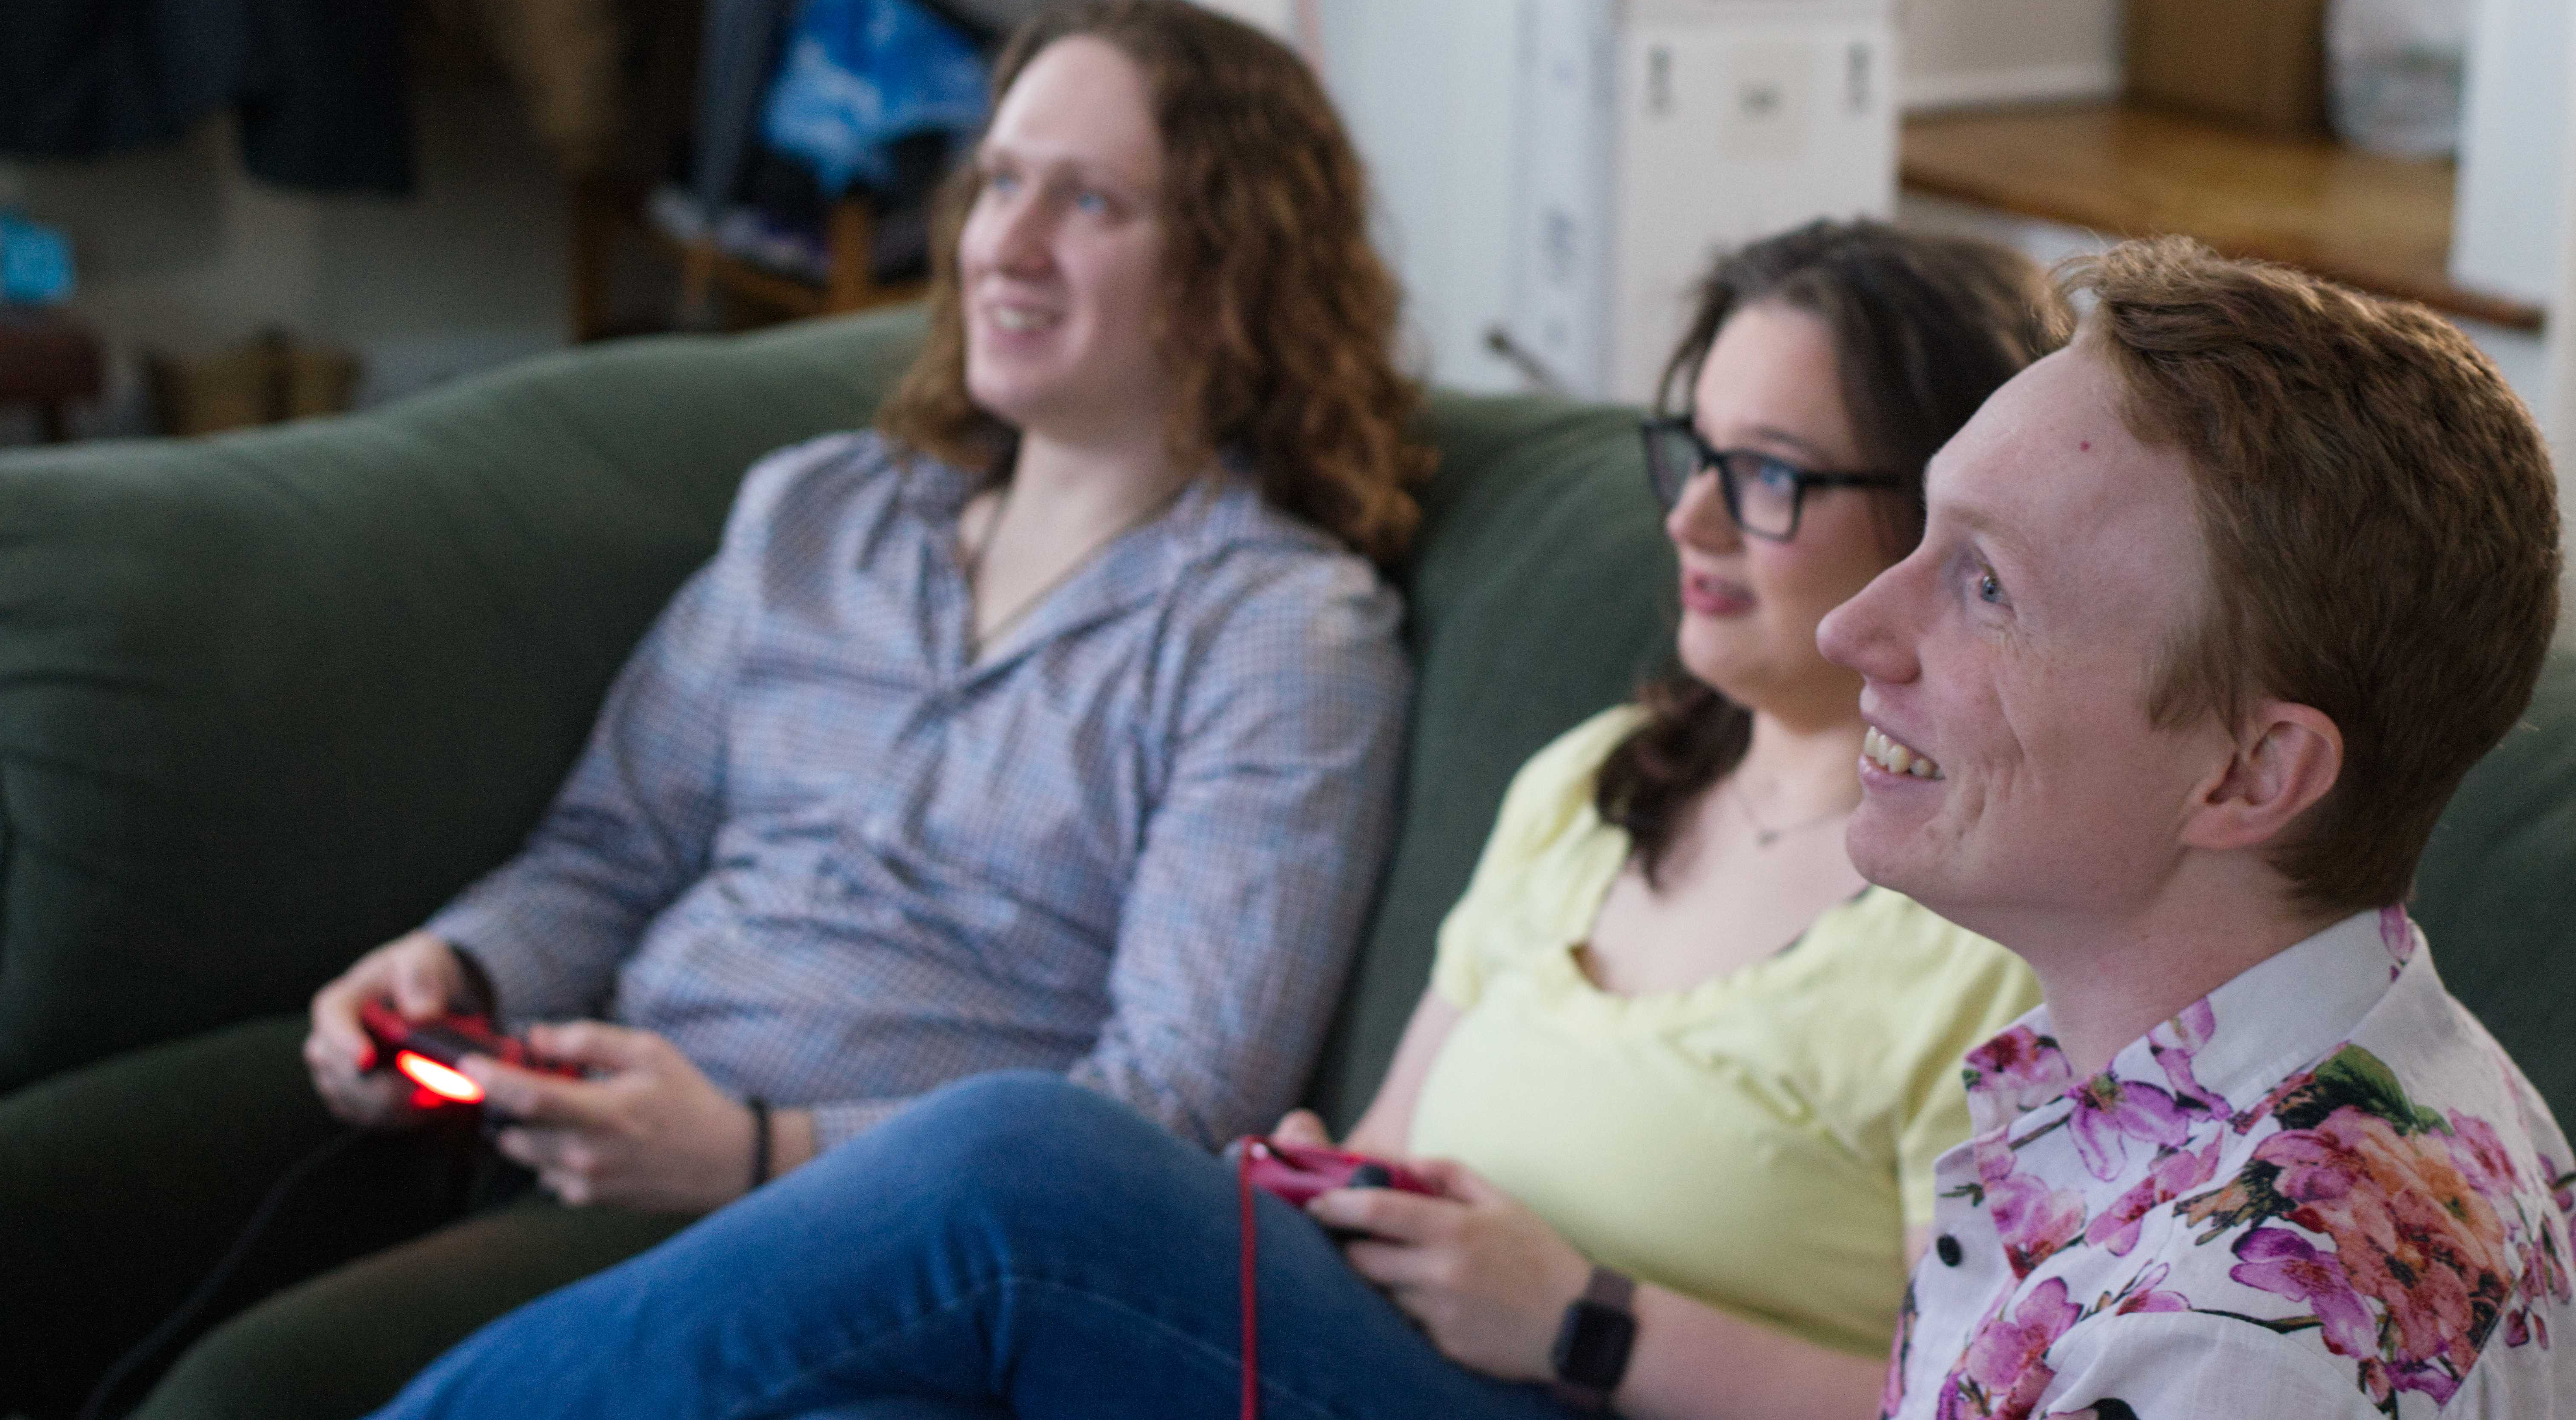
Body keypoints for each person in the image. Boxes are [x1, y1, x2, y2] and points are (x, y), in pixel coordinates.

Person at [363, 218, 2066, 1420]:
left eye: (1768, 472)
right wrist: (1325, 1197)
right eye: (1686, 448)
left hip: (1589, 1395)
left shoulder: (1997, 922)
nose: (1691, 514)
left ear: (1940, 518)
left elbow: (1995, 1393)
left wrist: (1589, 1320)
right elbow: (1401, 1139)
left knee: (1017, 1157)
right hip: (1387, 1350)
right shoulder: (1597, 782)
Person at [9, 0, 1430, 1420]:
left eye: (1090, 200)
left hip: (836, 1228)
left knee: (256, 1389)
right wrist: (461, 968)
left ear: (1234, 265)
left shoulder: (1279, 630)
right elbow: (613, 848)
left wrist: (756, 1149)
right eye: (998, 179)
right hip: (556, 1104)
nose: (1004, 241)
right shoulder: (818, 509)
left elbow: (1175, 1108)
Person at [1821, 239, 2576, 1417]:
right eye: (1927, 534)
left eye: (1986, 587)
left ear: (2247, 773)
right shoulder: (2373, 1067)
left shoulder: (2240, 1346)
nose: (1851, 629)